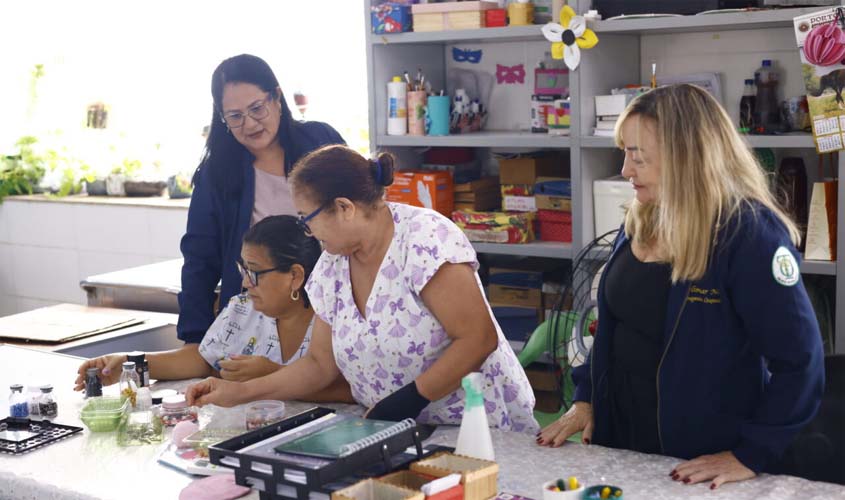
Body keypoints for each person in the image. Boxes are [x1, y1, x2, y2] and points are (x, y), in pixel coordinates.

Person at [536, 84, 824, 489]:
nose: (625, 169)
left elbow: (801, 362)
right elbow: (613, 326)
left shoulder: (748, 235)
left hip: (698, 463)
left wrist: (750, 454)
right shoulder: (644, 215)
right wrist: (586, 399)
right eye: (625, 152)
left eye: (637, 156)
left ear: (686, 157)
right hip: (623, 447)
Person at [185, 145, 538, 433]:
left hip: (476, 426)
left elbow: (477, 339)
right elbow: (319, 365)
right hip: (397, 428)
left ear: (344, 208)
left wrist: (412, 398)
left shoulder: (425, 240)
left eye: (307, 219)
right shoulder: (331, 266)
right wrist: (239, 392)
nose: (307, 232)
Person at [75, 216, 354, 402]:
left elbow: (352, 391)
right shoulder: (243, 310)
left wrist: (272, 374)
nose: (245, 283)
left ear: (294, 276)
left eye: (255, 272)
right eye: (242, 269)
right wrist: (128, 364)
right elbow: (201, 359)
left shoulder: (333, 319)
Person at [179, 54, 344, 345]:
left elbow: (357, 213)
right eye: (235, 116)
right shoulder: (215, 174)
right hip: (259, 324)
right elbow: (199, 259)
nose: (250, 124)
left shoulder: (319, 141)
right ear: (222, 118)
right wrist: (194, 338)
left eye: (257, 108)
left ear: (277, 98)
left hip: (334, 310)